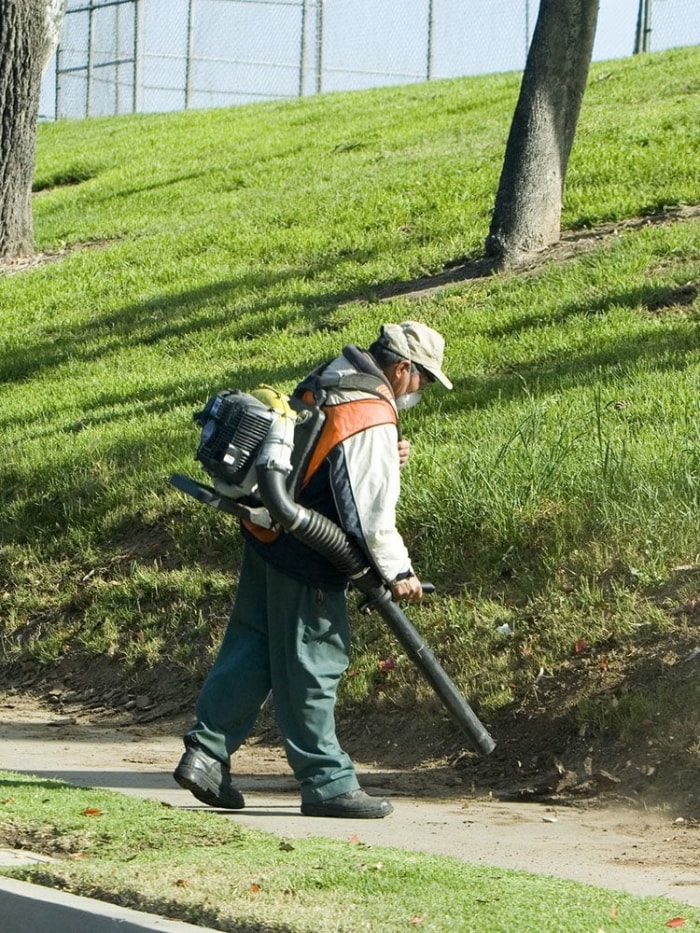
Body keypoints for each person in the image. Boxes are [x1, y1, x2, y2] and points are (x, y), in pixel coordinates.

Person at [174, 321, 453, 818]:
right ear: (403, 368)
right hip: (309, 553)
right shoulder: (371, 413)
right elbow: (370, 515)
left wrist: (385, 452)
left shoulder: (335, 377)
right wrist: (399, 572)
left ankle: (206, 755)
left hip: (267, 536)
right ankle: (327, 783)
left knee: (251, 649)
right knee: (314, 666)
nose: (422, 391)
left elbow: (321, 451)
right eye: (424, 380)